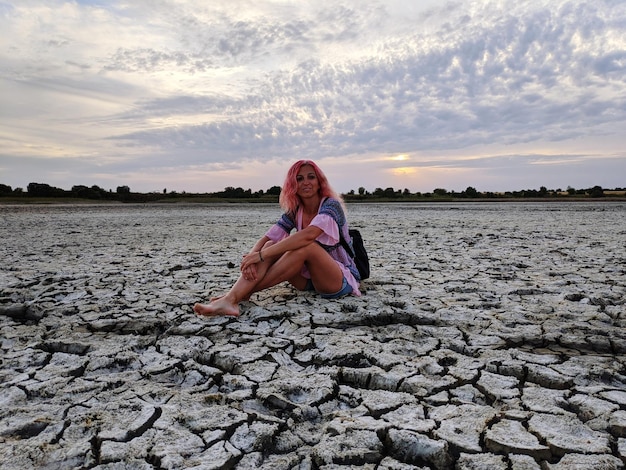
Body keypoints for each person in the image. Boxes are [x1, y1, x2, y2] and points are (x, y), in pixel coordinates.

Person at [193, 160, 361, 317]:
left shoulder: (331, 205)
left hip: (338, 279)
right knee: (271, 244)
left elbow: (308, 235)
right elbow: (269, 236)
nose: (306, 182)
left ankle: (234, 297)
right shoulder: (296, 210)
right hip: (307, 280)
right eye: (299, 179)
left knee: (306, 246)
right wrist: (251, 258)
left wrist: (261, 256)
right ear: (293, 185)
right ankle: (233, 297)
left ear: (319, 182)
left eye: (311, 177)